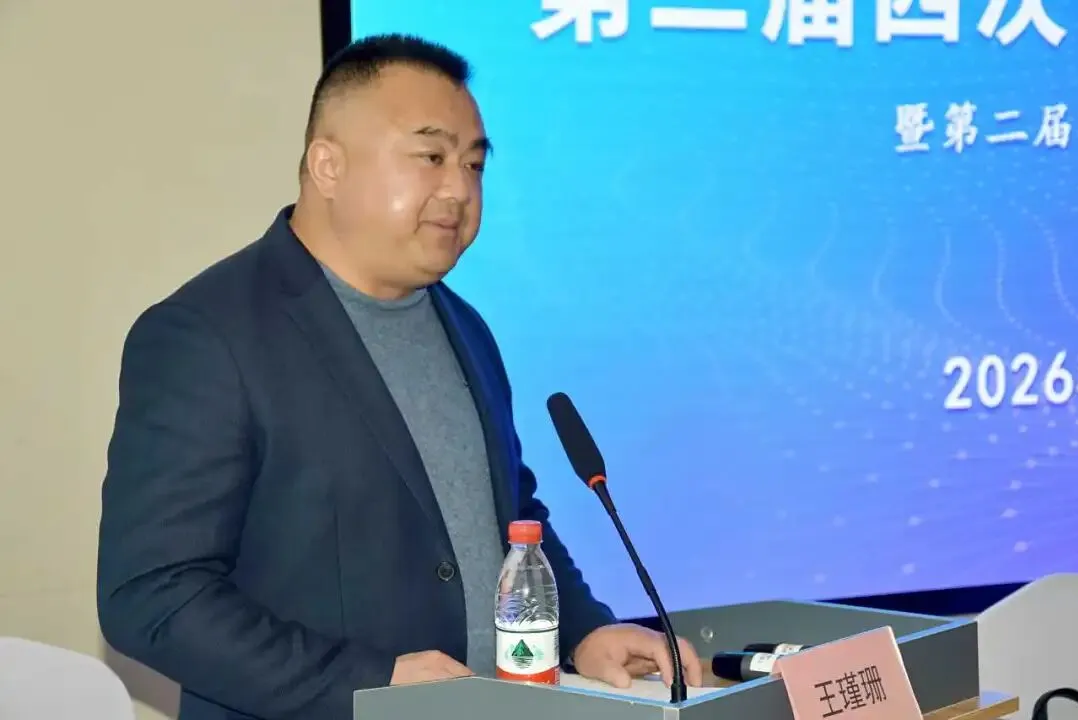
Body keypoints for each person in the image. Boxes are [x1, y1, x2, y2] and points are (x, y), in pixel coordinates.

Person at [96, 33, 703, 720]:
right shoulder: (208, 334)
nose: (460, 189)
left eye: (474, 164)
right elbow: (152, 596)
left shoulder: (464, 326)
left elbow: (511, 521)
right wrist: (367, 681)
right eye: (431, 157)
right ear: (328, 166)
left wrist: (585, 632)